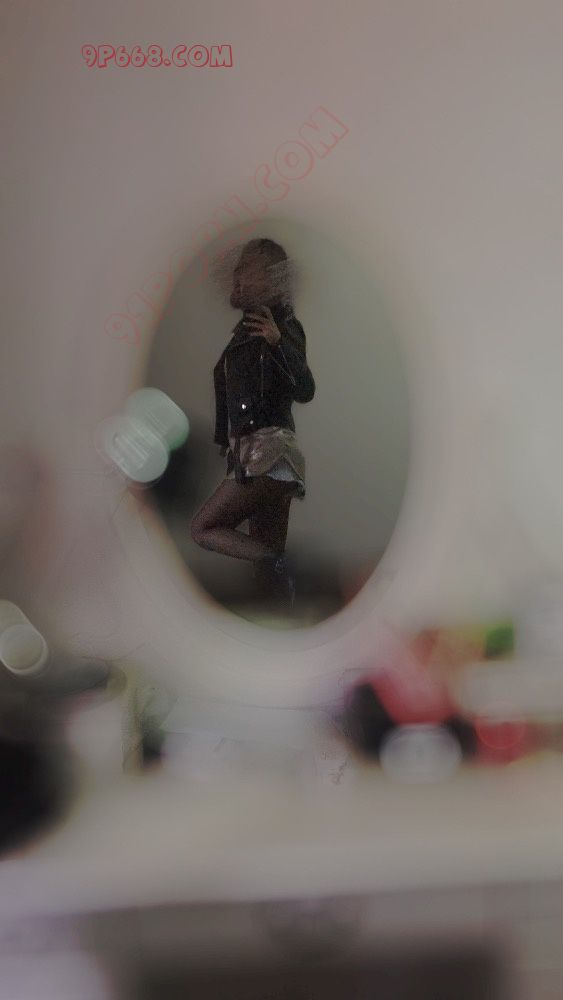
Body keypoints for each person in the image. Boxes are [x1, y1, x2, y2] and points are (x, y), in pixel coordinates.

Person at [190, 238, 315, 604]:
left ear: (269, 279)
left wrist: (278, 344)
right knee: (266, 576)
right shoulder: (246, 332)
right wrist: (230, 446)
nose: (237, 277)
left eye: (247, 269)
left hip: (269, 452)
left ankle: (287, 565)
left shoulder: (282, 327)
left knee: (204, 528)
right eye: (239, 269)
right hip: (253, 453)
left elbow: (305, 389)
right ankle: (283, 602)